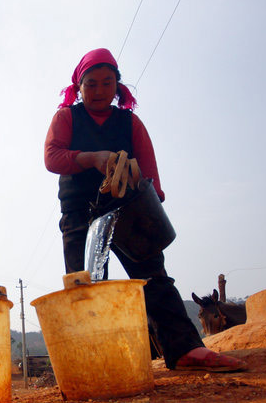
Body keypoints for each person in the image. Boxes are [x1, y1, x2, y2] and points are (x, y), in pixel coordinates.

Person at [43, 48, 246, 372]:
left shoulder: (130, 122)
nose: (99, 91)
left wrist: (152, 200)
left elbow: (149, 170)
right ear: (79, 87)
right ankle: (95, 365)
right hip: (81, 213)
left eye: (107, 83)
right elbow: (52, 157)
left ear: (118, 86)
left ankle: (185, 349)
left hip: (129, 210)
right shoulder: (66, 117)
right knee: (85, 287)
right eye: (91, 84)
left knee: (154, 278)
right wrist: (91, 158)